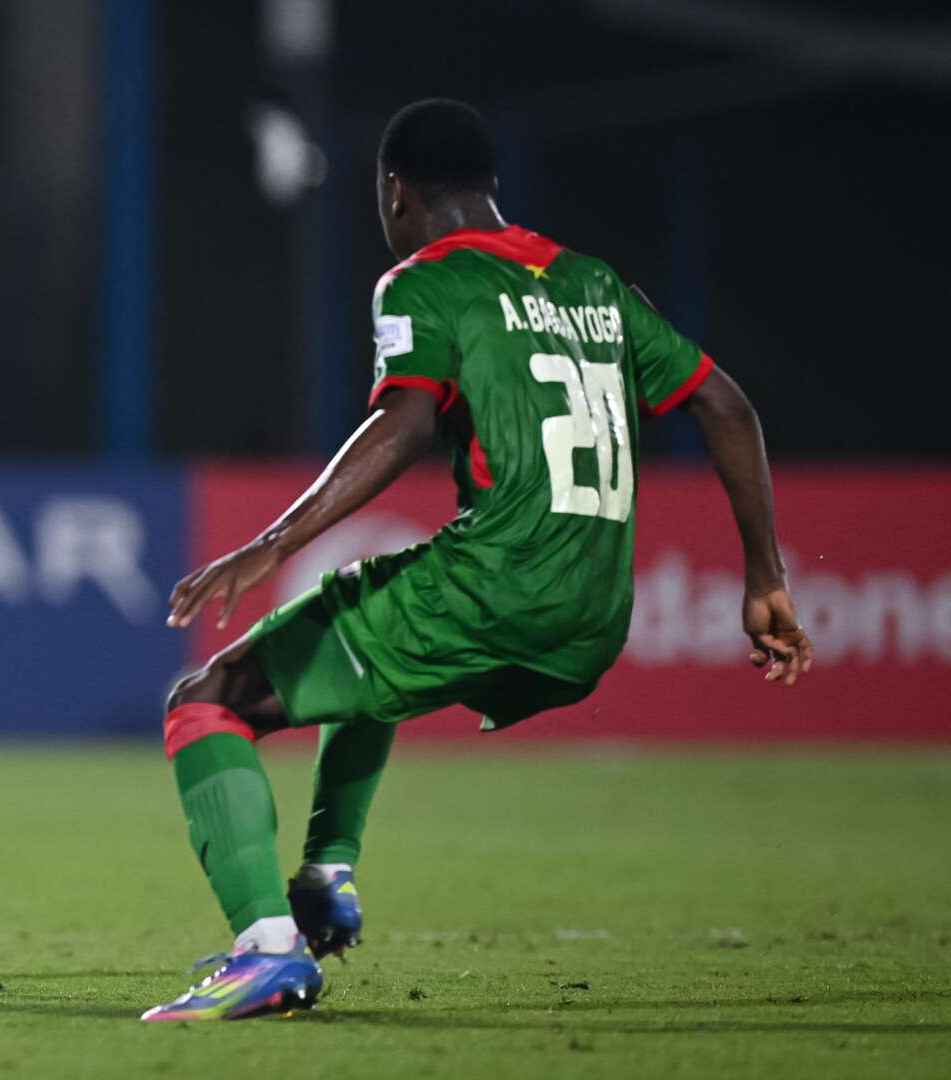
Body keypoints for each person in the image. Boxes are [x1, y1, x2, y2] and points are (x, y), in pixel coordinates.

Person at [140, 98, 813, 1022]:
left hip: (490, 589)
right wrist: (765, 578)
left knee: (205, 702)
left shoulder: (426, 280)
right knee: (367, 645)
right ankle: (328, 875)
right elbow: (727, 406)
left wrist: (272, 543)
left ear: (395, 194)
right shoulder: (593, 284)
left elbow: (404, 420)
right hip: (592, 623)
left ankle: (267, 953)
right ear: (490, 189)